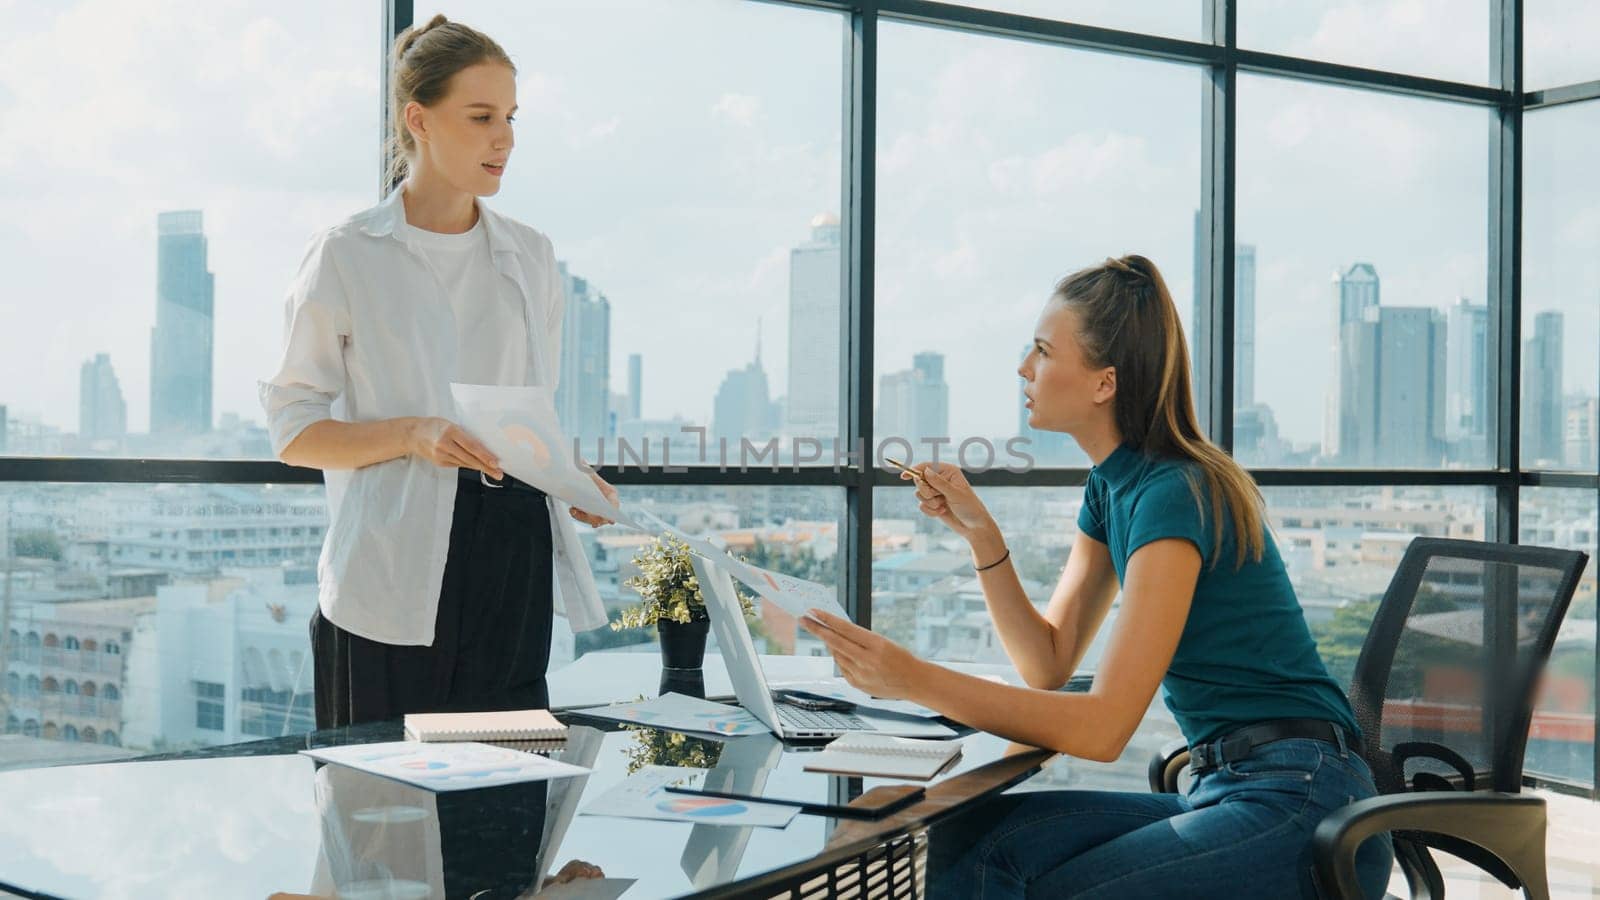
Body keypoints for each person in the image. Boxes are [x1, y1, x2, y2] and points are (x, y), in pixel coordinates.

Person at [800, 255, 1394, 898]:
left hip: (1304, 803)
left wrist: (912, 679)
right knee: (967, 842)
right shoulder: (1112, 490)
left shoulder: (1174, 491)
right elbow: (1048, 663)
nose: (1024, 368)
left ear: (1103, 383)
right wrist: (983, 538)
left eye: (1043, 351)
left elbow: (1103, 728)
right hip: (1225, 788)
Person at [261, 14, 615, 730]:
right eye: (481, 116)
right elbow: (294, 432)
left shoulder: (532, 256)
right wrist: (413, 433)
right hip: (391, 573)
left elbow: (526, 410)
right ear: (418, 120)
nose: (505, 138)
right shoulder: (346, 253)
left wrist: (564, 473)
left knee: (509, 811)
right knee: (381, 822)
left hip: (512, 556)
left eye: (511, 117)